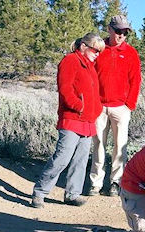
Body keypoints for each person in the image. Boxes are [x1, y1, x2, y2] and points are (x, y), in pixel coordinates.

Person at [31, 33, 105, 208]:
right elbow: (65, 89)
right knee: (62, 158)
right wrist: (80, 106)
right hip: (72, 119)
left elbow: (94, 94)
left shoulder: (90, 65)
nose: (97, 54)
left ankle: (73, 194)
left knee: (80, 160)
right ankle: (40, 192)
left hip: (87, 122)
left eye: (99, 51)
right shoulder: (70, 61)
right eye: (95, 50)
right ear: (84, 47)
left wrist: (96, 109)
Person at [89, 15, 141, 197]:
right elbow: (90, 75)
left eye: (125, 32)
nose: (121, 35)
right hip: (99, 106)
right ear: (109, 29)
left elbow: (135, 81)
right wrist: (92, 101)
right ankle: (96, 182)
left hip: (121, 107)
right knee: (98, 145)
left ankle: (116, 182)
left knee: (120, 146)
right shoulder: (99, 49)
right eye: (118, 31)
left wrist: (129, 105)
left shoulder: (131, 53)